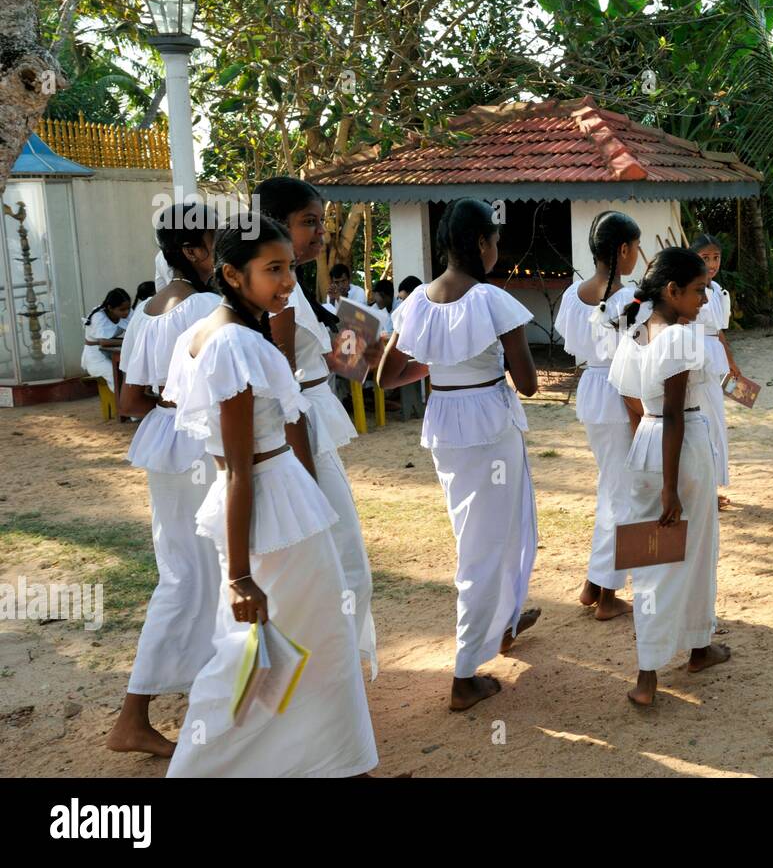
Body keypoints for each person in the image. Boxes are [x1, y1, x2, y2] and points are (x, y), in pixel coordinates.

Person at [164, 214, 377, 777]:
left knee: (290, 646)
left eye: (288, 268)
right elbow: (237, 467)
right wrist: (238, 575)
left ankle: (341, 765)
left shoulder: (210, 332)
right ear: (233, 274)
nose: (287, 282)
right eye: (273, 269)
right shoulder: (236, 343)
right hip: (272, 513)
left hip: (275, 507)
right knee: (276, 651)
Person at [377, 198, 542, 711]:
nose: (497, 249)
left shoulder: (417, 303)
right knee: (486, 545)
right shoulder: (493, 301)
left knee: (490, 531)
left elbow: (386, 376)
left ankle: (505, 621)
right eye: (494, 240)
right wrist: (472, 364)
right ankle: (465, 672)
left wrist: (440, 366)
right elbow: (530, 383)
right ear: (480, 243)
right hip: (491, 426)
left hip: (448, 423)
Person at [106, 204, 224, 758]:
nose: (221, 245)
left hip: (164, 442)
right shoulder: (204, 304)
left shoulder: (147, 312)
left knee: (186, 574)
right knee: (207, 575)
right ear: (193, 250)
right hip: (198, 442)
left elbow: (130, 400)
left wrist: (168, 398)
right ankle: (135, 715)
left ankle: (202, 699)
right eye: (214, 237)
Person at [254, 176, 379, 678]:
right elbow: (284, 386)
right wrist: (300, 473)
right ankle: (330, 681)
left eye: (321, 223)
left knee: (342, 568)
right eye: (309, 222)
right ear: (274, 224)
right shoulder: (279, 296)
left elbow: (324, 365)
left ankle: (332, 676)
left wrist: (362, 350)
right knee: (344, 569)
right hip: (299, 437)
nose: (321, 234)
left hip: (310, 428)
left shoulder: (295, 288)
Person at [609, 247, 730, 707]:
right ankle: (648, 672)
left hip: (648, 443)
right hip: (680, 450)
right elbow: (677, 414)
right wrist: (670, 486)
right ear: (672, 290)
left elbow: (630, 398)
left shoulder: (637, 329)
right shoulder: (679, 338)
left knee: (655, 555)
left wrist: (651, 442)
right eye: (698, 290)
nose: (705, 298)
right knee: (683, 555)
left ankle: (698, 644)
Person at [554, 211, 641, 620]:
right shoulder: (630, 299)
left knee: (611, 487)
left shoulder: (574, 296)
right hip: (619, 393)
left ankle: (594, 581)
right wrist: (640, 413)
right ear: (623, 250)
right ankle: (607, 593)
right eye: (636, 248)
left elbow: (574, 348)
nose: (638, 256)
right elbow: (634, 358)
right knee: (622, 495)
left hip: (592, 390)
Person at [690, 234, 743, 510]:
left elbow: (718, 330)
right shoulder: (688, 287)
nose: (712, 264)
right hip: (695, 356)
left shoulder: (718, 290)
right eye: (705, 258)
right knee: (702, 422)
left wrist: (730, 359)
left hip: (715, 357)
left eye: (716, 258)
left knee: (715, 423)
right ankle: (702, 491)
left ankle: (709, 487)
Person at [81, 288, 132, 383]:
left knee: (132, 370)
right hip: (96, 357)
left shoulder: (127, 313)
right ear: (110, 308)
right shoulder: (98, 317)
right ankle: (120, 398)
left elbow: (135, 330)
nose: (127, 312)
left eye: (128, 308)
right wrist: (129, 340)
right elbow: (103, 342)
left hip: (112, 352)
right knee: (114, 374)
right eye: (122, 310)